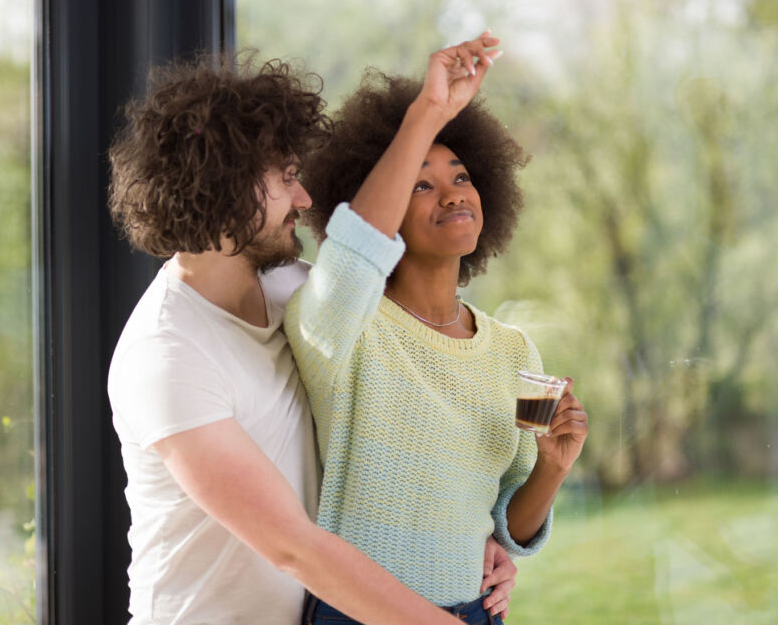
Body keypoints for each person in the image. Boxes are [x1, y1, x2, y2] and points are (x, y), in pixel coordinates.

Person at [105, 54, 515, 625]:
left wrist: (472, 545)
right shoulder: (167, 354)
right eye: (286, 179)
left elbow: (356, 258)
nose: (304, 201)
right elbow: (293, 547)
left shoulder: (287, 288)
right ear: (224, 189)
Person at [285, 32, 590, 625]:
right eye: (420, 184)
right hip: (359, 615)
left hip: (474, 614)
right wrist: (428, 112)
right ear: (385, 199)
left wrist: (553, 466)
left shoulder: (516, 349)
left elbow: (510, 523)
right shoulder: (344, 324)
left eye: (461, 176)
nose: (452, 195)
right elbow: (352, 254)